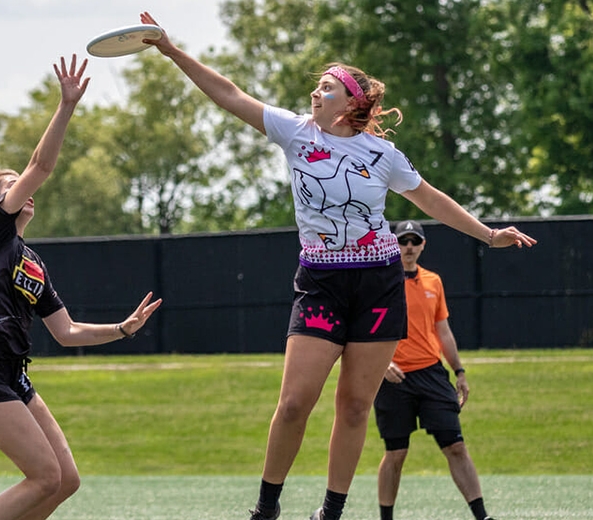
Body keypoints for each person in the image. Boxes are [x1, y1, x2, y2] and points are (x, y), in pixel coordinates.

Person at [140, 12, 535, 520]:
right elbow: (230, 94)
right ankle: (266, 507)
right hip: (321, 282)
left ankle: (331, 511)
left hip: (377, 284)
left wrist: (489, 234)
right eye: (316, 87)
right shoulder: (295, 133)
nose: (315, 93)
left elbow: (431, 199)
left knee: (352, 408)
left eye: (326, 87)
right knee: (293, 403)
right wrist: (173, 52)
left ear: (351, 101)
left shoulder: (383, 153)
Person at [0, 54, 162, 520]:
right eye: (12, 186)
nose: (26, 190)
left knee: (66, 480)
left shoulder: (31, 263)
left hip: (11, 372)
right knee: (44, 477)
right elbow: (40, 166)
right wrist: (66, 106)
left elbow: (66, 333)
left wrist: (122, 329)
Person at [374, 220, 494, 520]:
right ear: (394, 244)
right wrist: (381, 363)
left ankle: (482, 516)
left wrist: (460, 371)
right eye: (403, 241)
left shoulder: (433, 282)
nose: (409, 247)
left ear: (423, 245)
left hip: (431, 373)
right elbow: (364, 327)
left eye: (415, 241)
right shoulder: (380, 280)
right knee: (396, 453)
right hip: (392, 378)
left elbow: (443, 330)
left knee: (455, 446)